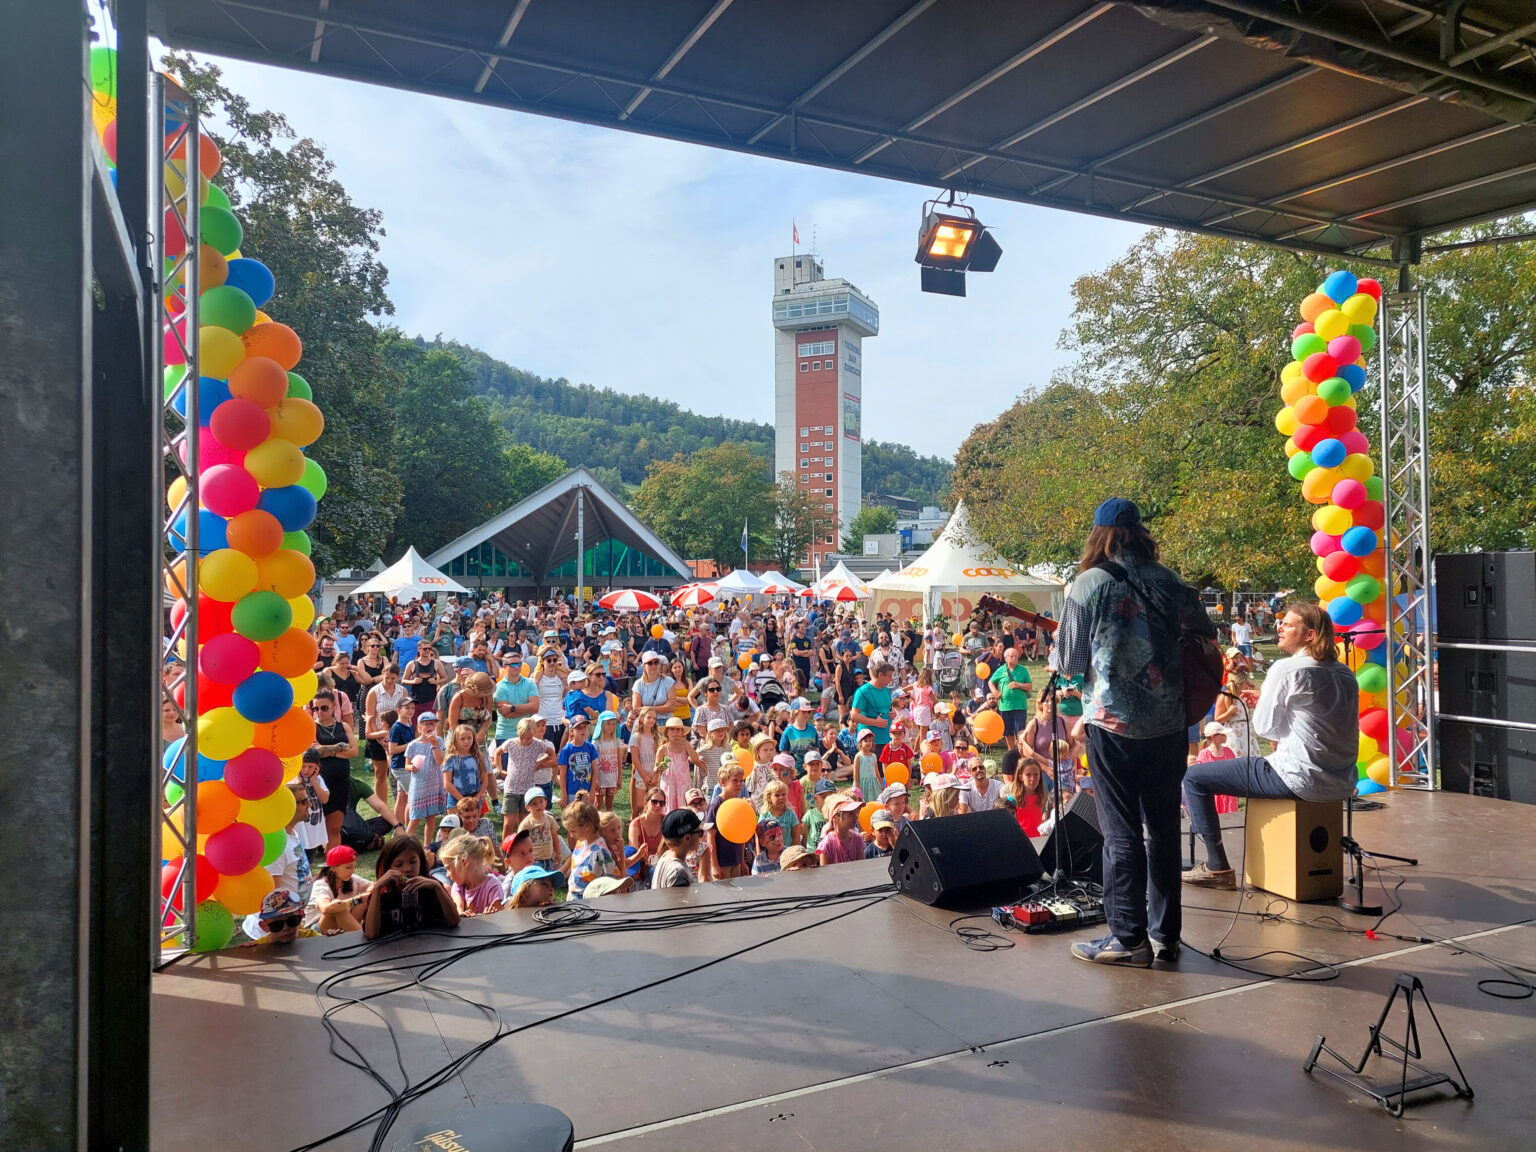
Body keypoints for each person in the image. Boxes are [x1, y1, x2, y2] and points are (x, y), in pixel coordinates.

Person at [1050, 497, 1216, 968]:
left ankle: (1127, 937)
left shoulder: (1089, 585)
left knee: (1120, 831)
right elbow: (1205, 636)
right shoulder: (1172, 582)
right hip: (1168, 722)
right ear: (1141, 533)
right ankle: (1166, 936)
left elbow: (1072, 662)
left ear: (1100, 535)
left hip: (1114, 724)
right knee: (1164, 828)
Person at [1183, 603, 1360, 890]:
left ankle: (1216, 868)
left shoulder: (1286, 668)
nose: (1279, 627)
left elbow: (1266, 728)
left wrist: (1266, 703)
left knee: (1194, 778)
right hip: (1341, 781)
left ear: (1310, 635)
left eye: (1289, 624)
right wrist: (1269, 698)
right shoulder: (1344, 673)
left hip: (1298, 776)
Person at [308, 846, 373, 934]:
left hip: (342, 924)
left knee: (366, 897)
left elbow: (374, 886)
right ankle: (360, 937)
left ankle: (355, 934)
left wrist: (368, 892)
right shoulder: (321, 884)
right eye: (348, 867)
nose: (353, 871)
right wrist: (357, 899)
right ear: (333, 868)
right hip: (317, 929)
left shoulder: (352, 879)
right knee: (337, 906)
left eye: (354, 867)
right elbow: (326, 908)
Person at [564, 800, 619, 898]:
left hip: (590, 901)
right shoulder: (580, 843)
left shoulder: (600, 851)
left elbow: (612, 878)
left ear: (587, 827)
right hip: (573, 897)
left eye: (573, 831)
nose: (571, 835)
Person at [441, 834, 505, 916]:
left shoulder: (492, 886)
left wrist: (490, 916)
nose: (447, 875)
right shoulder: (458, 887)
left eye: (448, 868)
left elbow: (500, 916)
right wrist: (462, 914)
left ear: (464, 862)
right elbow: (458, 909)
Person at [243, 889, 324, 946]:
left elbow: (326, 945)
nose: (285, 928)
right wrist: (246, 952)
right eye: (276, 925)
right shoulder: (259, 947)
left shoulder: (311, 937)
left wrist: (331, 938)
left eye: (292, 921)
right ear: (264, 926)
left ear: (301, 916)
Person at [988, 647, 1033, 739]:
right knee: (1008, 732)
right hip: (1005, 706)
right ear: (1006, 658)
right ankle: (1011, 751)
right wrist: (995, 692)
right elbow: (991, 682)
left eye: (1016, 656)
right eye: (1012, 656)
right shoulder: (1001, 670)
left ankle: (1020, 752)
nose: (1014, 658)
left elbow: (1030, 686)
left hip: (1019, 706)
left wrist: (1019, 685)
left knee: (1020, 732)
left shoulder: (1023, 670)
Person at [653, 808, 704, 887]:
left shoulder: (666, 854)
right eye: (699, 833)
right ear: (687, 838)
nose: (700, 837)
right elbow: (680, 899)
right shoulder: (678, 872)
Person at [817, 794, 864, 865]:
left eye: (855, 813)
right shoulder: (827, 844)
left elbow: (863, 867)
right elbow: (825, 873)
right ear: (836, 817)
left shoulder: (858, 839)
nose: (856, 816)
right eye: (851, 813)